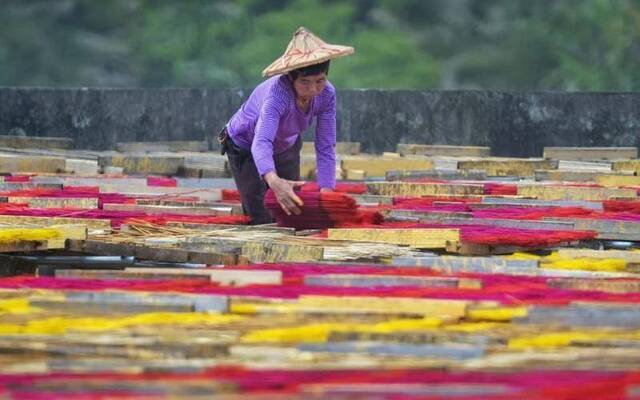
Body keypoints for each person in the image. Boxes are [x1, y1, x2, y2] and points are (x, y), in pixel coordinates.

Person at [219, 27, 354, 224]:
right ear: (291, 78)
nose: (314, 89)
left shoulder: (327, 94)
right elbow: (262, 141)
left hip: (286, 143)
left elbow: (325, 145)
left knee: (292, 208)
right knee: (261, 216)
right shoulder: (278, 95)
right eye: (305, 82)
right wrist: (273, 181)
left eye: (320, 80)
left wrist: (327, 191)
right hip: (246, 145)